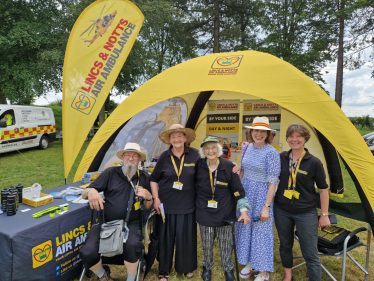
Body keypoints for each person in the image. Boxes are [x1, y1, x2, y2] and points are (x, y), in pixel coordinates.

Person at [80, 143, 153, 281]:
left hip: (131, 223)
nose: (131, 158)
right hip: (106, 222)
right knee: (87, 252)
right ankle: (103, 276)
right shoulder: (110, 173)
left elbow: (148, 206)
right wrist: (91, 191)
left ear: (139, 159)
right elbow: (84, 193)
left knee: (133, 245)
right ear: (122, 157)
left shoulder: (143, 177)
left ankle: (131, 279)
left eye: (134, 155)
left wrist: (149, 197)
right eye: (127, 155)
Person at [274, 124, 330, 281]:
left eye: (298, 136)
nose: (294, 139)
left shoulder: (314, 162)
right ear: (287, 138)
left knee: (310, 251)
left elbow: (323, 190)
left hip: (306, 212)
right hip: (282, 209)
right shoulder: (281, 158)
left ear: (305, 138)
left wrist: (324, 215)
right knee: (285, 245)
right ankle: (288, 276)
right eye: (291, 136)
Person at [196, 136, 250, 281]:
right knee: (206, 244)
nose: (210, 151)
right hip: (204, 213)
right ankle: (207, 266)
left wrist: (244, 211)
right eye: (206, 148)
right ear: (203, 151)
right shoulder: (198, 166)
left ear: (219, 149)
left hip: (225, 213)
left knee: (226, 245)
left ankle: (228, 268)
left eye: (213, 147)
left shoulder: (228, 167)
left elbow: (238, 192)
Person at [150, 124, 200, 281]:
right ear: (169, 140)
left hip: (188, 205)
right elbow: (153, 179)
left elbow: (210, 168)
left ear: (185, 138)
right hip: (166, 205)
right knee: (165, 237)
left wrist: (230, 166)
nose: (177, 139)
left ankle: (186, 267)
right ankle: (164, 270)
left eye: (180, 136)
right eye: (173, 137)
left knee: (186, 237)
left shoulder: (196, 155)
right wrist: (156, 198)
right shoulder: (164, 157)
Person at [235, 116, 281, 281]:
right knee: (245, 227)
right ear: (251, 132)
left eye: (263, 131)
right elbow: (242, 171)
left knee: (261, 232)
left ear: (268, 134)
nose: (259, 134)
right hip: (246, 192)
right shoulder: (246, 148)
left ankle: (263, 272)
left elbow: (273, 183)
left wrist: (266, 207)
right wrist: (237, 195)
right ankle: (250, 262)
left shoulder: (272, 153)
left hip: (262, 195)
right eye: (256, 130)